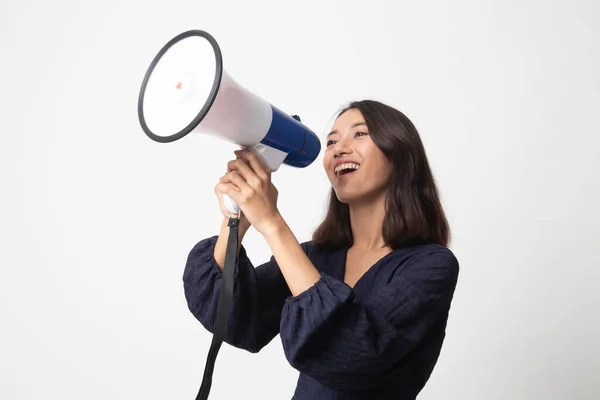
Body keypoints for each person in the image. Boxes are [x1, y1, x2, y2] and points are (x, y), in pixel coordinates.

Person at [183, 100, 459, 399]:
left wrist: (272, 222)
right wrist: (235, 216)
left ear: (400, 153)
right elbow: (237, 317)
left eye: (360, 134)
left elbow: (350, 352)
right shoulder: (318, 257)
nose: (340, 148)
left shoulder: (430, 266)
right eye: (331, 141)